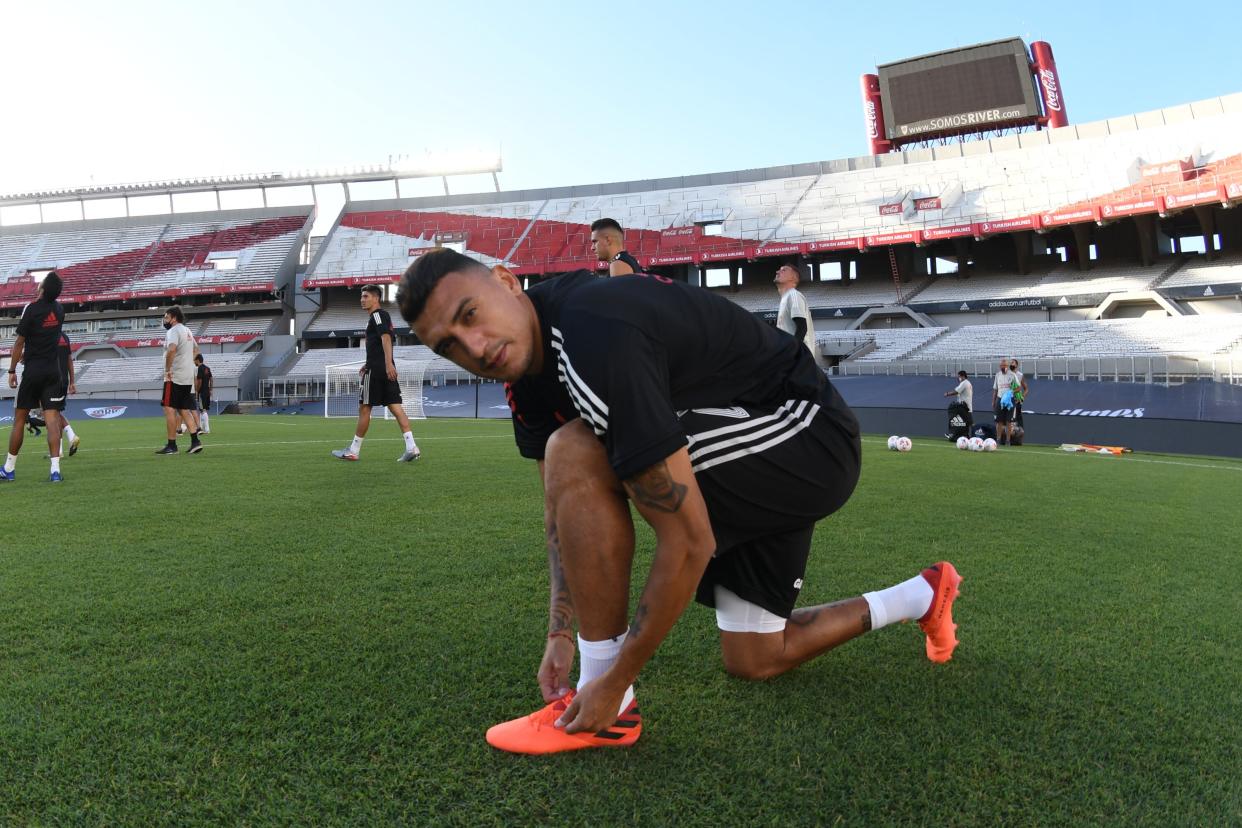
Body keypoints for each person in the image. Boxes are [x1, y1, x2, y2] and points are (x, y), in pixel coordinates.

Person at [397, 248, 962, 755]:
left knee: (574, 447)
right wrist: (558, 631)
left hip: (805, 434)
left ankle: (612, 717)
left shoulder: (593, 331)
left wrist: (611, 680)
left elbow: (689, 539)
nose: (473, 347)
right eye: (449, 345)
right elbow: (558, 512)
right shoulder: (525, 380)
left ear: (506, 281)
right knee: (755, 659)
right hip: (747, 442)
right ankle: (922, 595)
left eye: (470, 314)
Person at [331, 284, 420, 462]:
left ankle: (353, 450)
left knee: (364, 407)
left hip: (379, 370)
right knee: (395, 406)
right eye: (362, 297)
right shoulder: (380, 316)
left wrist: (386, 364)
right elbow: (379, 343)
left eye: (366, 296)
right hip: (381, 367)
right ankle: (412, 447)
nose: (362, 300)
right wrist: (369, 363)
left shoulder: (378, 315)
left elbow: (385, 337)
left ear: (376, 298)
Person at [3, 272, 67, 482]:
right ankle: (55, 471)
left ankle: (9, 469)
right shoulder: (59, 309)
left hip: (33, 371)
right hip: (53, 372)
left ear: (43, 288)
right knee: (52, 422)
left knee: (19, 421)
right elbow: (47, 337)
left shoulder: (31, 309)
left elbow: (20, 341)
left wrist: (12, 370)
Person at [156, 306, 203, 455]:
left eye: (166, 317)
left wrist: (168, 369)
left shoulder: (173, 331)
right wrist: (188, 362)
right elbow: (196, 349)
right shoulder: (187, 330)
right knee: (183, 409)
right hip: (187, 375)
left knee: (169, 408)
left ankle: (172, 445)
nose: (165, 320)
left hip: (174, 376)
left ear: (173, 318)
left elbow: (171, 349)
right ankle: (195, 441)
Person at [774, 263, 822, 366]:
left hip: (799, 360)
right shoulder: (785, 298)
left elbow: (802, 327)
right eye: (779, 270)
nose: (778, 272)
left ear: (793, 278)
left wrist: (792, 354)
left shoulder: (793, 295)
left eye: (784, 270)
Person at [56, 332, 81, 457]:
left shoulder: (45, 335)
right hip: (63, 381)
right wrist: (72, 382)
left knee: (50, 413)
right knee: (56, 413)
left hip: (50, 380)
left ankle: (71, 436)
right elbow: (69, 360)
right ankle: (59, 450)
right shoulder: (64, 337)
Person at [991, 358, 1016, 445]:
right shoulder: (997, 375)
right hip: (1000, 399)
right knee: (999, 421)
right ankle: (998, 439)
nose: (1003, 367)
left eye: (1005, 365)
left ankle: (1008, 440)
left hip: (1010, 400)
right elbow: (995, 389)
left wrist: (1010, 392)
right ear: (999, 366)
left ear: (1008, 366)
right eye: (1002, 365)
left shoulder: (1012, 375)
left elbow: (1018, 387)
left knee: (1009, 421)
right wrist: (993, 401)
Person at [943, 370, 973, 439]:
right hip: (964, 406)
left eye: (959, 376)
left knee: (956, 420)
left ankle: (953, 434)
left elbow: (956, 392)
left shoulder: (964, 383)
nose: (958, 378)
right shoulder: (967, 383)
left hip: (964, 407)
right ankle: (964, 435)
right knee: (965, 422)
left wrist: (947, 394)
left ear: (963, 376)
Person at [194, 354, 213, 434]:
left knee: (203, 410)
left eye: (194, 360)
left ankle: (207, 429)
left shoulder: (200, 368)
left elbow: (199, 381)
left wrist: (197, 390)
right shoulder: (207, 368)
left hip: (202, 392)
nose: (194, 362)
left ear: (198, 360)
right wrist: (211, 389)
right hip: (207, 391)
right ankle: (201, 428)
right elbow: (211, 379)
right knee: (202, 409)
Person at [1009, 358, 1029, 429]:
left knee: (1018, 415)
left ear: (1016, 365)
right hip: (1008, 398)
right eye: (1010, 363)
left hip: (1017, 398)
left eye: (1013, 363)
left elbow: (1026, 389)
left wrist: (1022, 397)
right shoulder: (1006, 374)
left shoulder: (1020, 375)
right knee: (1008, 416)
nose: (1011, 364)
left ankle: (1020, 431)